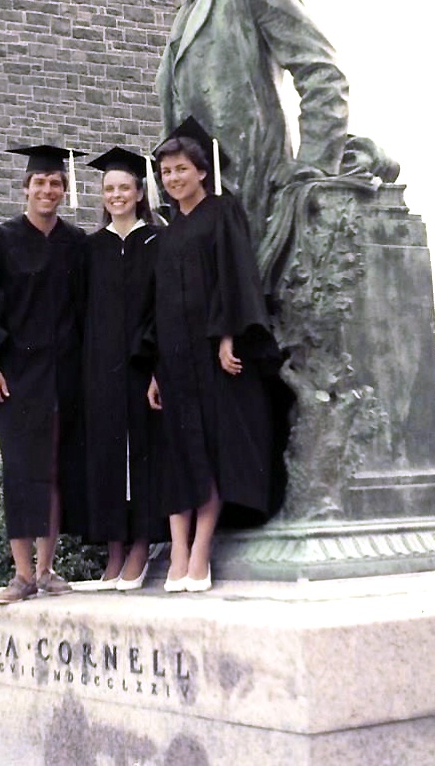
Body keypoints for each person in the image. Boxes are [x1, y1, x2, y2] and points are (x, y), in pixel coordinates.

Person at [157, 0, 349, 249]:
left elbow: (323, 72)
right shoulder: (184, 14)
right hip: (194, 206)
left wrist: (312, 166)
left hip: (253, 194)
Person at [146, 118, 285, 592]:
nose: (173, 179)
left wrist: (228, 336)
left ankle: (200, 550)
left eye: (181, 169)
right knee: (178, 454)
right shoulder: (167, 232)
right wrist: (155, 370)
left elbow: (236, 275)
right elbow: (159, 303)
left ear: (202, 172)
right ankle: (179, 551)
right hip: (174, 360)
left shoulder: (223, 212)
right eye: (165, 172)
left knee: (209, 449)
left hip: (210, 356)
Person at [0, 145, 87, 604]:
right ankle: (21, 573)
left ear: (65, 190)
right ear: (25, 189)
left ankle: (48, 569)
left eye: (55, 183)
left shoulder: (76, 244)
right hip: (15, 376)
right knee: (20, 470)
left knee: (56, 469)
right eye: (40, 183)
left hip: (65, 374)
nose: (47, 190)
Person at [73, 147, 163, 592]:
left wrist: (154, 365)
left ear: (140, 191)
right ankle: (113, 552)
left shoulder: (156, 242)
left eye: (124, 187)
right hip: (101, 368)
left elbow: (161, 310)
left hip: (141, 364)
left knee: (144, 452)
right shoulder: (92, 248)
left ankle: (142, 546)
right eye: (109, 189)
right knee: (106, 455)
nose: (116, 195)